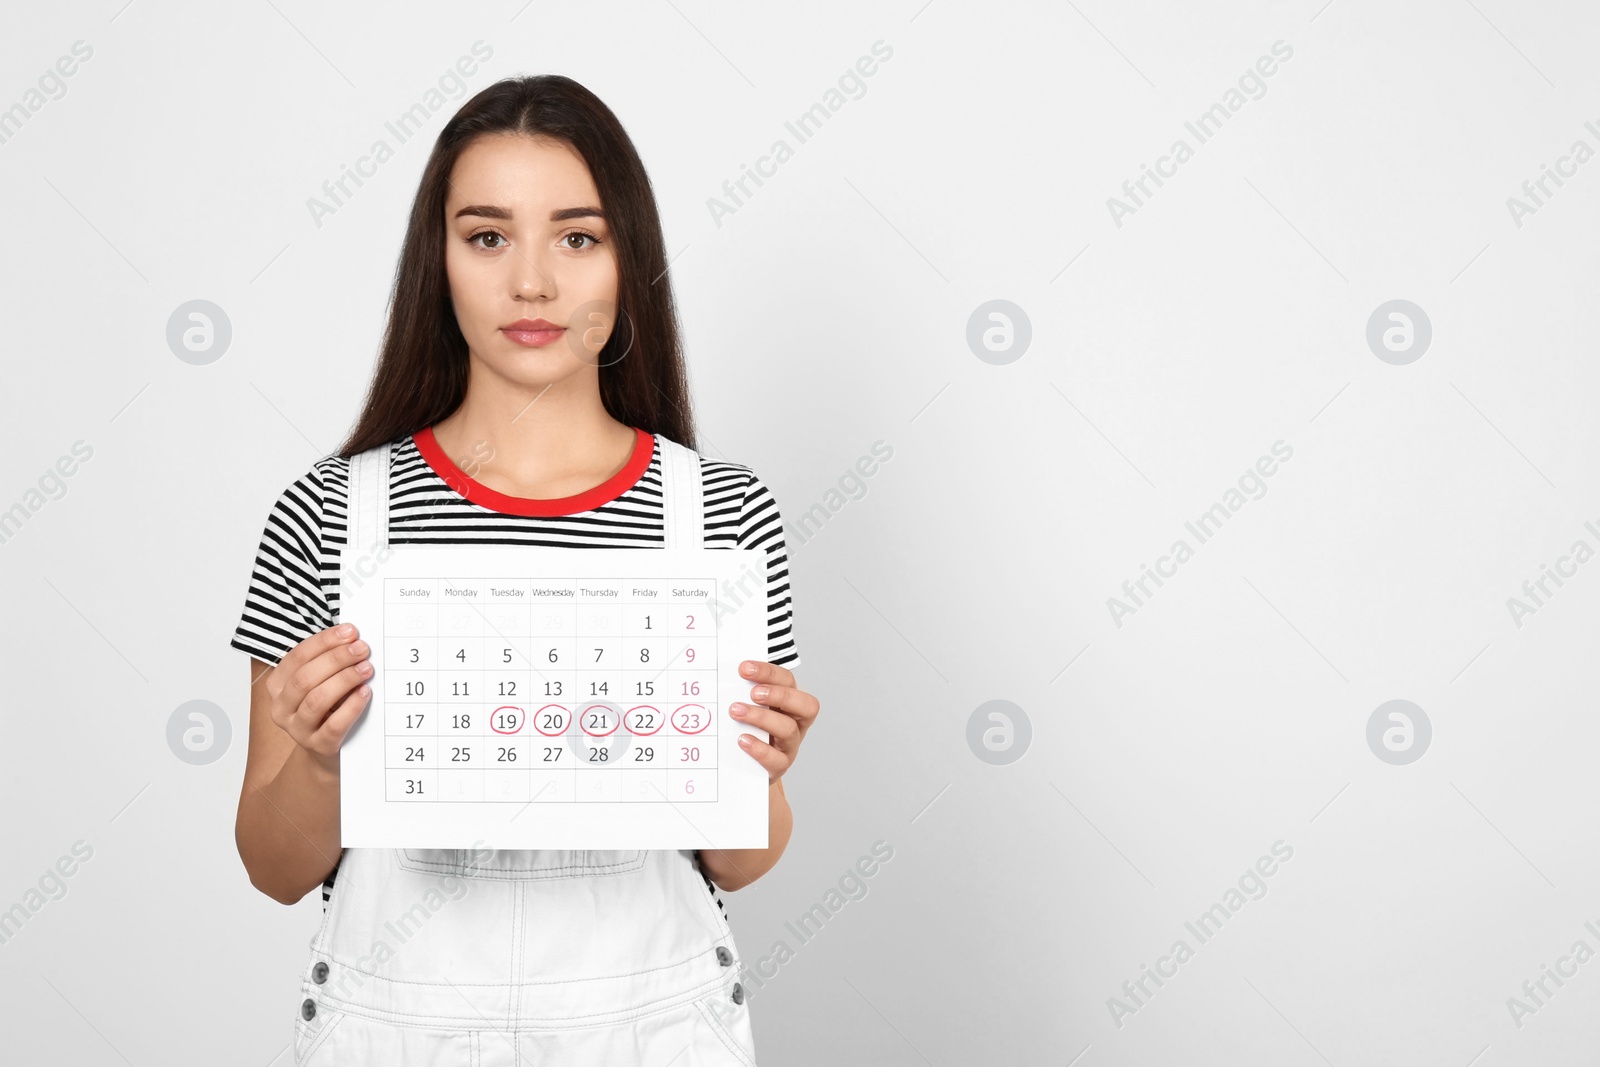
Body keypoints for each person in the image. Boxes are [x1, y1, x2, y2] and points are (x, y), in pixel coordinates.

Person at [230, 73, 820, 1065]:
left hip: (650, 1027)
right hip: (398, 1029)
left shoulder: (719, 512)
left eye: (578, 236)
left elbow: (741, 857)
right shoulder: (329, 513)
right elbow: (273, 865)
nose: (533, 283)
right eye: (488, 235)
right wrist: (325, 756)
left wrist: (763, 769)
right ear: (439, 260)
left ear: (628, 260)